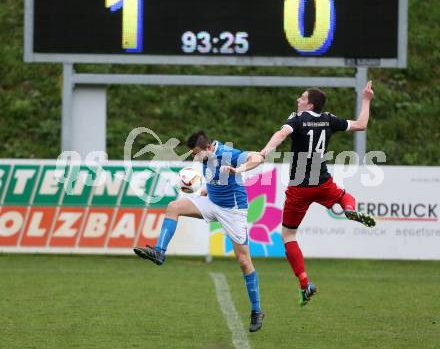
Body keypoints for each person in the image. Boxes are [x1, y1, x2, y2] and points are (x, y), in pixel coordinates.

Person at [257, 81, 377, 306]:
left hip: (299, 187)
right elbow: (361, 124)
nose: (298, 100)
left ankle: (305, 283)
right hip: (321, 181)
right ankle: (349, 209)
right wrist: (367, 99)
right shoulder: (329, 119)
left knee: (289, 236)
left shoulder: (298, 118)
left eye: (301, 98)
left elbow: (281, 134)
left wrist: (264, 152)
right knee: (342, 196)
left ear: (309, 103)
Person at [133, 131, 265, 332]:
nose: (194, 157)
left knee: (244, 261)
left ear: (209, 148)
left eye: (196, 153)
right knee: (173, 207)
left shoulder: (227, 153)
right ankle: (159, 252)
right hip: (212, 202)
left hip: (233, 210)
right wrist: (206, 190)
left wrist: (240, 169)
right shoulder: (205, 157)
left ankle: (256, 310)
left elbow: (257, 157)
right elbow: (215, 177)